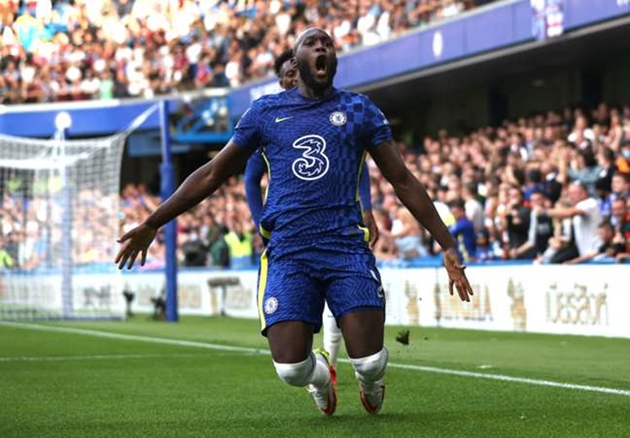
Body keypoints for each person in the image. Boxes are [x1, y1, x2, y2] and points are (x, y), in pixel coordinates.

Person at [116, 28, 473, 417]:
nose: (321, 47)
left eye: (327, 44)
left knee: (369, 361)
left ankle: (371, 380)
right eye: (311, 43)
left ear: (334, 59)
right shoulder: (265, 113)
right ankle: (321, 380)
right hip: (288, 252)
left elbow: (402, 180)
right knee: (290, 369)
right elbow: (213, 173)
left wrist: (447, 244)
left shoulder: (358, 109)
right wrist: (153, 222)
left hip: (345, 247)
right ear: (296, 59)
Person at [243, 48, 379, 385]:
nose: (294, 77)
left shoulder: (343, 110)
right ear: (282, 82)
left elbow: (358, 165)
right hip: (294, 237)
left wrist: (367, 207)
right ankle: (323, 371)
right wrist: (261, 222)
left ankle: (355, 365)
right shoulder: (270, 118)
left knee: (347, 303)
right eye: (288, 74)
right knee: (291, 366)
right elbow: (249, 178)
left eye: (296, 70)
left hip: (340, 230)